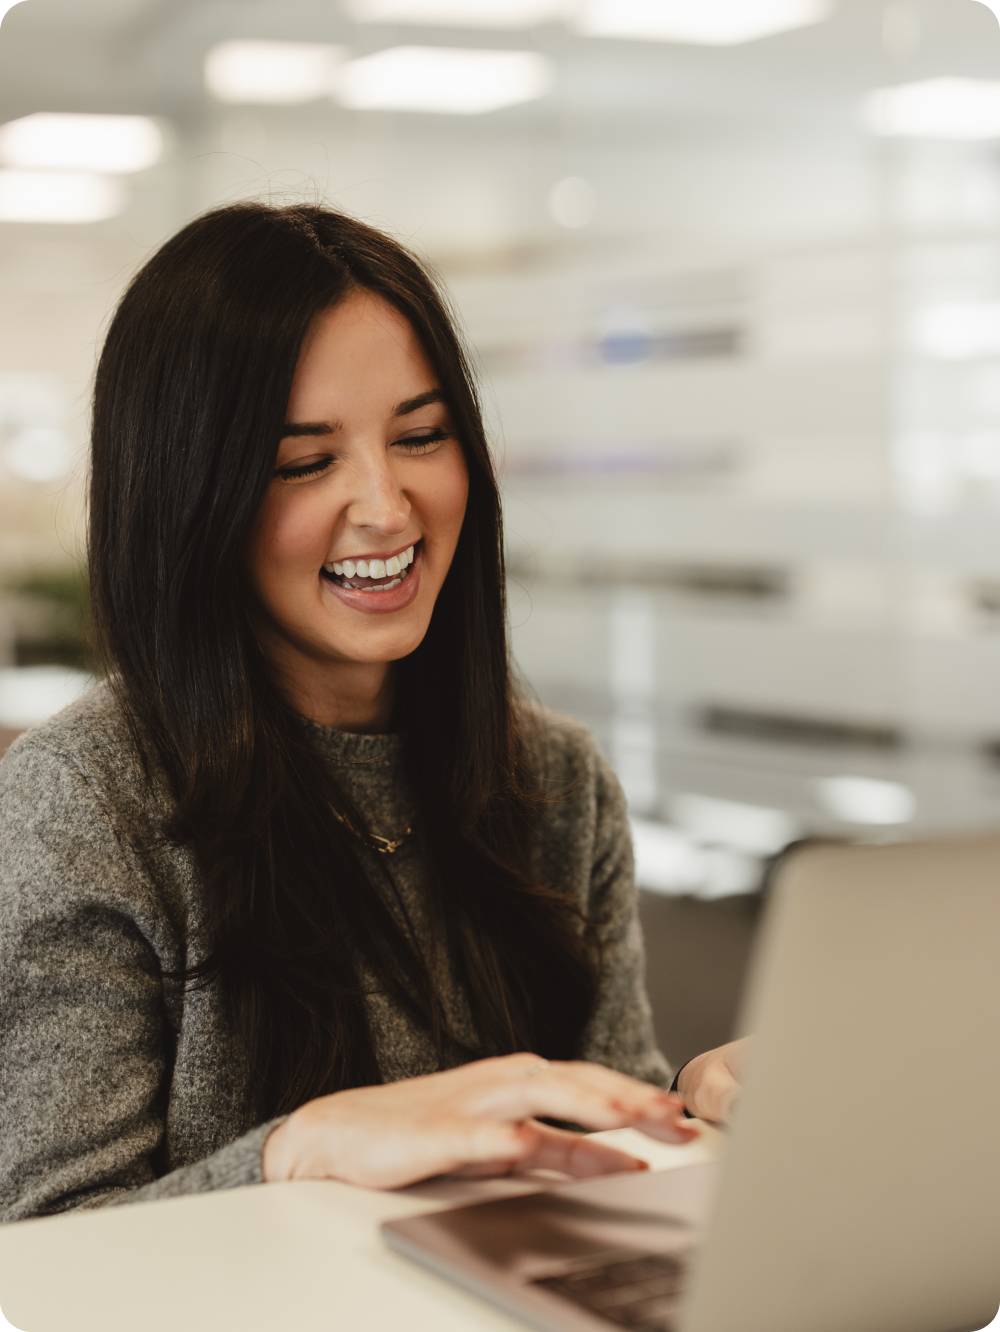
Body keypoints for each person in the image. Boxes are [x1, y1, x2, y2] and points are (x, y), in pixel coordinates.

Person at [0, 202, 744, 1224]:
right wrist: (296, 1153)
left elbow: (596, 1166)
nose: (388, 508)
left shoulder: (555, 780)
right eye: (305, 462)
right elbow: (38, 1251)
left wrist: (688, 1111)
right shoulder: (81, 803)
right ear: (189, 494)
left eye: (423, 437)